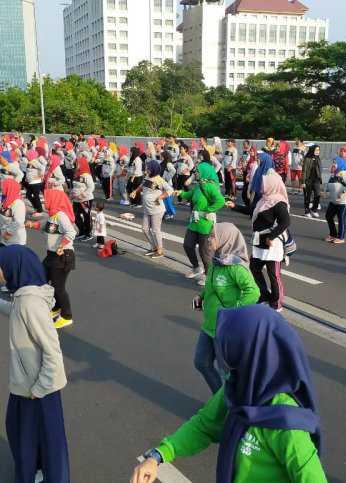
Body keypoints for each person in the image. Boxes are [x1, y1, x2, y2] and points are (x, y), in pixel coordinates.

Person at [131, 305, 326, 483]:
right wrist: (157, 456)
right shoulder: (238, 388)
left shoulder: (287, 424)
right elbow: (204, 426)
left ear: (253, 356)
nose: (223, 362)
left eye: (232, 353)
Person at [0, 245, 70, 483]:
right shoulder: (23, 296)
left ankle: (41, 475)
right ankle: (37, 471)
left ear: (14, 267)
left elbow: (53, 352)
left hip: (38, 389)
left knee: (42, 441)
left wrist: (39, 388)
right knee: (25, 433)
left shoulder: (29, 302)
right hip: (27, 384)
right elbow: (14, 311)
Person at [192, 223, 260, 393]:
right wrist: (201, 296)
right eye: (210, 236)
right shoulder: (217, 261)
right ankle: (220, 399)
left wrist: (234, 312)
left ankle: (231, 405)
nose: (209, 239)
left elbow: (253, 292)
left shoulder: (235, 267)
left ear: (225, 239)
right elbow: (211, 285)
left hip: (225, 329)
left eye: (213, 236)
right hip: (209, 325)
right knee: (201, 363)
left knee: (227, 374)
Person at [26, 190, 77, 329]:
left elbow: (71, 232)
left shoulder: (60, 216)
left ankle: (66, 316)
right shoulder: (52, 215)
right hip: (51, 255)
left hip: (62, 255)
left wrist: (62, 245)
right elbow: (44, 225)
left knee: (58, 288)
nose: (44, 201)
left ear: (54, 200)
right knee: (42, 278)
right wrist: (31, 224)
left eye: (47, 199)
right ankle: (56, 307)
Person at [249, 170, 290, 311]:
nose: (262, 186)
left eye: (264, 184)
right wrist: (234, 206)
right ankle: (263, 294)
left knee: (274, 274)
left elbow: (285, 222)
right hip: (259, 240)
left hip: (272, 244)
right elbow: (251, 211)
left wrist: (271, 237)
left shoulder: (279, 203)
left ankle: (276, 303)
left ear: (272, 185)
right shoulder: (264, 200)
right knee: (254, 268)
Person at [180, 162, 225, 286]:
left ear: (204, 172)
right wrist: (179, 193)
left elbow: (221, 201)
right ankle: (196, 268)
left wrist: (208, 210)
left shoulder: (210, 186)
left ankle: (208, 275)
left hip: (205, 224)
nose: (195, 173)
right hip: (194, 222)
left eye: (198, 172)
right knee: (188, 245)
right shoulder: (199, 185)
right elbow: (190, 195)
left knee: (204, 252)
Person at [133, 160, 173, 258]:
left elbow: (170, 190)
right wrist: (135, 191)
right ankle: (154, 247)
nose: (146, 170)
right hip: (147, 209)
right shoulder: (147, 177)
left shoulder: (159, 180)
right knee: (145, 229)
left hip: (157, 209)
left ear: (153, 169)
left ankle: (160, 250)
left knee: (155, 230)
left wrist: (160, 197)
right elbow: (142, 186)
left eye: (148, 168)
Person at [325, 167, 346, 244]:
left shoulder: (343, 173)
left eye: (334, 165)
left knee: (341, 218)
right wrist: (326, 193)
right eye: (332, 165)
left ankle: (341, 237)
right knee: (328, 216)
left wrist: (343, 192)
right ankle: (333, 235)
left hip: (343, 202)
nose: (332, 166)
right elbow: (328, 186)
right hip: (333, 201)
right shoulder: (332, 175)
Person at [70, 154, 95, 241]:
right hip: (76, 199)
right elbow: (74, 186)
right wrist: (71, 194)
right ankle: (82, 231)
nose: (76, 164)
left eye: (77, 163)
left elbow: (91, 187)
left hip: (85, 199)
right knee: (75, 215)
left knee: (86, 216)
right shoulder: (76, 173)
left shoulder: (86, 175)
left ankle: (88, 234)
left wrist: (83, 195)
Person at [301, 145, 322, 218]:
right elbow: (304, 170)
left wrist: (320, 179)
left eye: (318, 150)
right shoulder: (307, 158)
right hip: (308, 180)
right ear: (312, 150)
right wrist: (303, 182)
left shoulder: (318, 158)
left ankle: (314, 210)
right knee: (308, 197)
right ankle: (307, 211)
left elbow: (320, 170)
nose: (318, 152)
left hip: (316, 180)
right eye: (316, 150)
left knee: (317, 195)